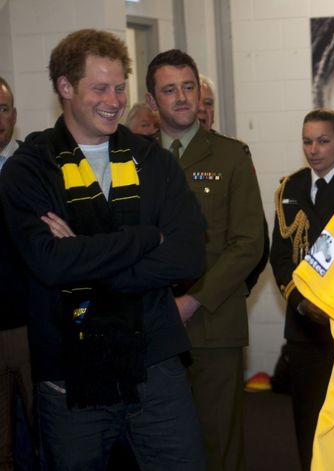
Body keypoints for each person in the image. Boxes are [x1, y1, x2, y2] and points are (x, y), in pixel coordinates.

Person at [0, 29, 207, 470]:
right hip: (70, 376)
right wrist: (147, 238)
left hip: (157, 365)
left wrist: (86, 257)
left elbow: (189, 254)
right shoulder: (29, 170)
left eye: (119, 87)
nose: (113, 100)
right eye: (99, 88)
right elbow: (50, 264)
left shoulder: (153, 160)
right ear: (65, 87)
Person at [145, 49, 266, 471]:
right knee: (157, 446)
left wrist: (194, 299)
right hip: (149, 324)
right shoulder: (134, 157)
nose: (181, 97)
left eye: (188, 87)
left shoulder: (231, 155)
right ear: (151, 100)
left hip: (212, 323)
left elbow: (249, 242)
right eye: (169, 89)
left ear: (199, 93)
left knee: (218, 444)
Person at [269, 109, 334, 470]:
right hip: (304, 327)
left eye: (323, 141)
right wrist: (302, 304)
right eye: (307, 141)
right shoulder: (292, 187)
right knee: (308, 421)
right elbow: (280, 256)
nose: (313, 149)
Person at [0, 77, 37, 471]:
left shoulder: (34, 166)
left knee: (47, 438)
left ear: (14, 115)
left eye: (3, 108)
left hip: (31, 327)